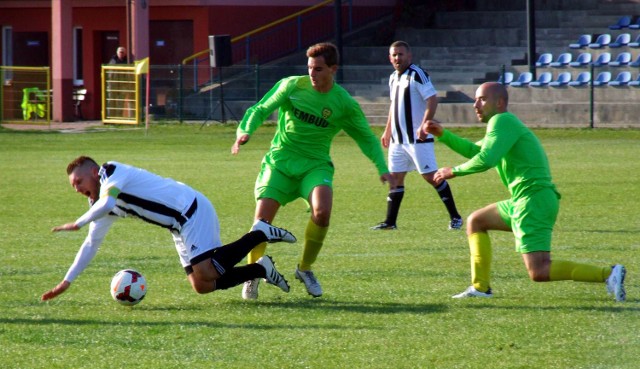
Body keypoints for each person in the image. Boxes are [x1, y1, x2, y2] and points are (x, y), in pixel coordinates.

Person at [422, 82, 626, 301]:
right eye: (475, 99)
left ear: (499, 102)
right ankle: (480, 288)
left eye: (481, 99)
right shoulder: (502, 125)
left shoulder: (502, 120)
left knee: (539, 271)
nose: (475, 104)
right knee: (476, 221)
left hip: (533, 201)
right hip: (524, 200)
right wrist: (443, 134)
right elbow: (476, 150)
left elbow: (486, 160)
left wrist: (453, 171)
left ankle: (608, 274)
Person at [231, 42, 394, 299]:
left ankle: (305, 269)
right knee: (261, 222)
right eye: (309, 68)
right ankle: (253, 273)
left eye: (318, 69)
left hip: (315, 165)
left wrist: (382, 167)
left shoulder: (343, 103)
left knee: (322, 211)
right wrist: (245, 131)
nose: (312, 74)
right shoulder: (292, 86)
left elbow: (366, 137)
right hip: (280, 162)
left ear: (333, 69)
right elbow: (260, 108)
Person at [41, 156, 297, 302]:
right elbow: (91, 244)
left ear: (95, 172)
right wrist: (67, 281)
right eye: (73, 185)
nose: (76, 188)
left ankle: (260, 233)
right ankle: (261, 268)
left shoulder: (111, 171)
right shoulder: (98, 205)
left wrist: (78, 222)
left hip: (190, 210)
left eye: (78, 181)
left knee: (207, 270)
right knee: (202, 285)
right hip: (177, 226)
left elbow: (109, 199)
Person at [371, 40, 463, 231]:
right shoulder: (393, 78)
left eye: (401, 54)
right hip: (398, 140)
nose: (397, 58)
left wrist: (424, 125)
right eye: (394, 55)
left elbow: (432, 99)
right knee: (395, 178)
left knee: (431, 177)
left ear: (409, 56)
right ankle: (390, 222)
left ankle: (456, 217)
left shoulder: (417, 74)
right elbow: (393, 106)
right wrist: (387, 130)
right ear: (390, 58)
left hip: (417, 139)